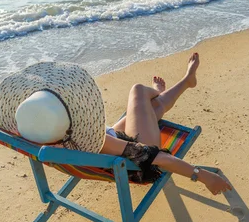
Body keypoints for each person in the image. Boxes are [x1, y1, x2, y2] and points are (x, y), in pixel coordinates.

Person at [99, 52, 232, 196]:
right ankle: (159, 91)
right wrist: (201, 175)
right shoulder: (96, 140)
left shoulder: (76, 137)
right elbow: (149, 155)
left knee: (152, 106)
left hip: (113, 140)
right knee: (138, 90)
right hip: (133, 162)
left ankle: (186, 81)